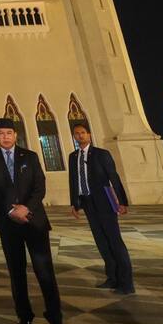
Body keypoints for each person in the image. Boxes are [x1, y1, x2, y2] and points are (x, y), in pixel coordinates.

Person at [0, 118, 68, 324]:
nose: (5, 137)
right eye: (1, 133)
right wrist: (11, 211)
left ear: (15, 134)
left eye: (9, 133)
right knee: (16, 273)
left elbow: (39, 187)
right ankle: (25, 318)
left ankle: (56, 319)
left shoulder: (29, 156)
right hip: (8, 224)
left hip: (34, 221)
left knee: (44, 272)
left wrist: (26, 208)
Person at [69, 123, 134, 294]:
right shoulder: (73, 156)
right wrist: (75, 203)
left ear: (89, 134)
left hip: (105, 201)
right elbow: (73, 180)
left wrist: (122, 201)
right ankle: (112, 278)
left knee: (114, 240)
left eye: (83, 133)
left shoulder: (101, 154)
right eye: (77, 134)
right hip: (88, 202)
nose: (80, 136)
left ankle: (126, 283)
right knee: (101, 241)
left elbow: (113, 177)